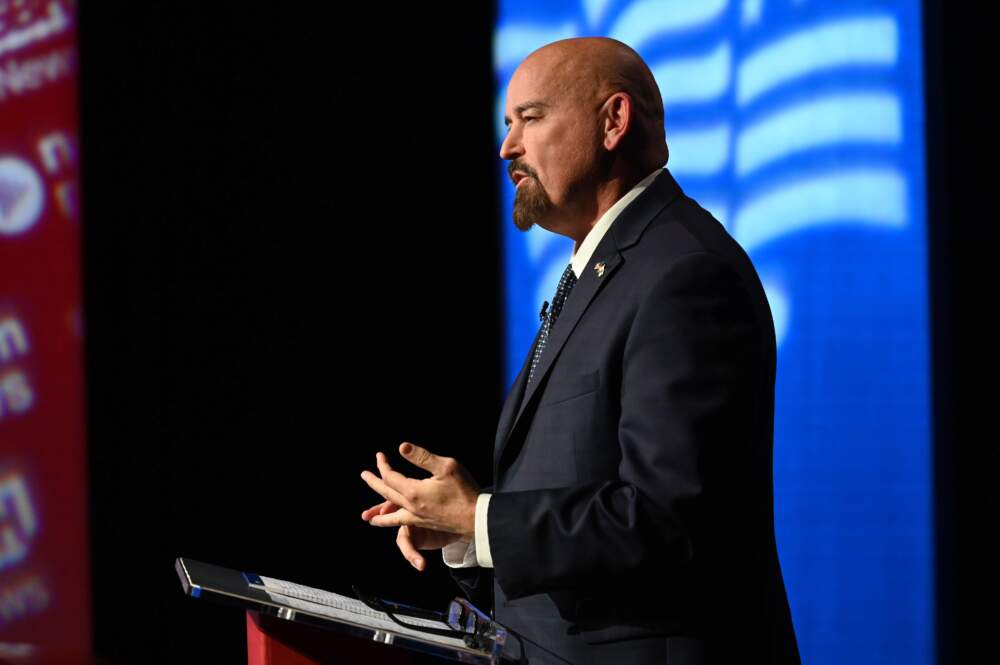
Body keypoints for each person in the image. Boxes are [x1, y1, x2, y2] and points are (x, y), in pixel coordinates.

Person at [360, 37, 801, 665]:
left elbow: (667, 517)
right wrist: (467, 533)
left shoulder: (685, 273)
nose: (508, 146)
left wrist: (485, 520)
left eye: (531, 119)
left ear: (613, 121)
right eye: (507, 124)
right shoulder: (607, 272)